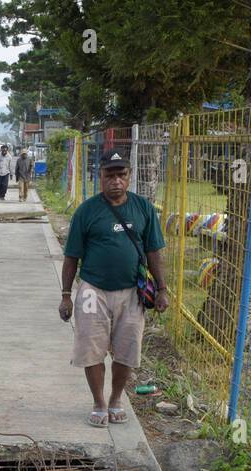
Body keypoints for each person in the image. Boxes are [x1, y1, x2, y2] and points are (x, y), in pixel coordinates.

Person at [58, 149, 170, 428]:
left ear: (129, 177)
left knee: (127, 349)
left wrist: (162, 289)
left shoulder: (143, 208)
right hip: (92, 290)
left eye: (121, 175)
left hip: (132, 291)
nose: (116, 181)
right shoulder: (86, 211)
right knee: (90, 347)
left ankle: (116, 399)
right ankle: (99, 402)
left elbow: (154, 251)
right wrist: (65, 296)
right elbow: (71, 256)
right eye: (110, 175)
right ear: (101, 177)